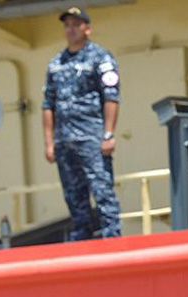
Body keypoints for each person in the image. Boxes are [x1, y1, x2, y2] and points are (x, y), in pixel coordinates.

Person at [42, 7, 122, 241]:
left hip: (92, 139)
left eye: (76, 24)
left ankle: (113, 245)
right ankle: (83, 247)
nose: (71, 29)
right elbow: (48, 104)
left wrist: (108, 134)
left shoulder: (101, 58)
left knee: (103, 193)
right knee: (74, 198)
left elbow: (111, 97)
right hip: (64, 142)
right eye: (67, 25)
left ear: (88, 28)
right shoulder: (56, 63)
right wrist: (49, 143)